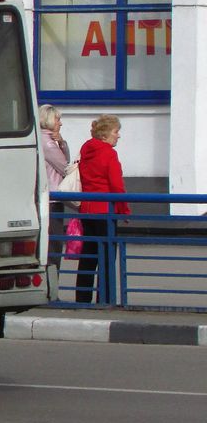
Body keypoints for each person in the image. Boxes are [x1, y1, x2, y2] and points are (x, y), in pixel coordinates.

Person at [75, 114, 131, 304]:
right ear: (106, 134)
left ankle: (82, 298)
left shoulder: (86, 149)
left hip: (87, 209)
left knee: (88, 256)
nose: (119, 136)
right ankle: (105, 299)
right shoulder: (109, 153)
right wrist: (123, 210)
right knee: (107, 257)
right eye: (116, 132)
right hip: (105, 211)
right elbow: (116, 186)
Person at [38, 104, 71, 261]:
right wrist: (63, 145)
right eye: (58, 119)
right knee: (54, 244)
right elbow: (65, 167)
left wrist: (62, 142)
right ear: (50, 120)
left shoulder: (40, 139)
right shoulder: (49, 143)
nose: (60, 123)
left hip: (45, 196)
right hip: (53, 197)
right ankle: (53, 280)